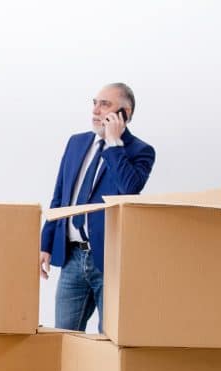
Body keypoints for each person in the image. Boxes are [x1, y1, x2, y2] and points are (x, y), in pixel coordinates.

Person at [40, 83, 156, 330]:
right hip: (72, 257)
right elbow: (60, 196)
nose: (96, 110)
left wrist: (115, 144)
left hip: (109, 260)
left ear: (125, 113)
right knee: (64, 338)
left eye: (105, 104)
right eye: (94, 102)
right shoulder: (76, 143)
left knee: (109, 339)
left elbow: (129, 190)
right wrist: (46, 244)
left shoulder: (140, 151)